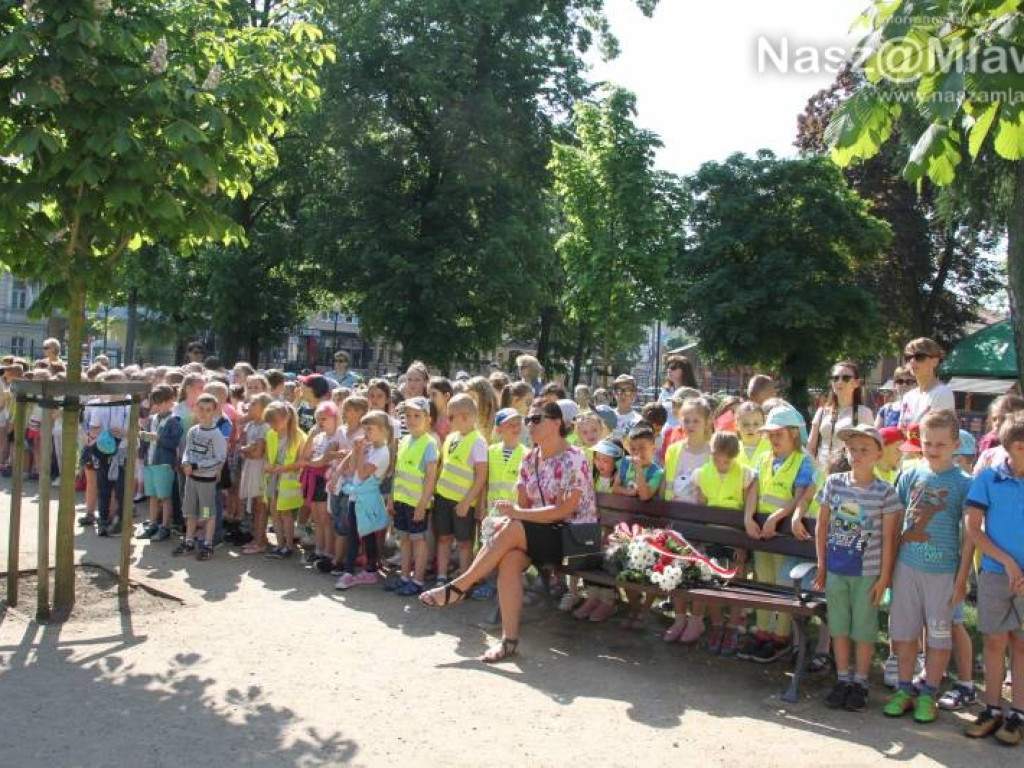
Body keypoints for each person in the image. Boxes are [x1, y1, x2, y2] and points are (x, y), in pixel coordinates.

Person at [420, 400, 597, 664]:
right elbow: (523, 507)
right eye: (529, 420)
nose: (530, 425)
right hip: (537, 533)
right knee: (510, 561)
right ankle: (509, 641)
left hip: (570, 538)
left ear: (557, 422)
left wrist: (517, 514)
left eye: (537, 419)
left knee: (513, 526)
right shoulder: (530, 458)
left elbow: (564, 511)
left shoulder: (574, 458)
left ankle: (461, 585)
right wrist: (512, 511)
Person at [883, 410, 973, 724]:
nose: (932, 450)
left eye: (940, 444)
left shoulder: (964, 484)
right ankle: (905, 689)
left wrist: (962, 578)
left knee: (938, 637)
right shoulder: (910, 474)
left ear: (955, 444)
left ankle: (928, 693)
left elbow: (969, 535)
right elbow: (895, 523)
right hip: (907, 568)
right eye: (927, 443)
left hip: (943, 573)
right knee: (905, 635)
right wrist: (890, 569)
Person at [814, 425, 902, 712]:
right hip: (837, 570)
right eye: (852, 449)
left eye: (865, 449)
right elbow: (822, 525)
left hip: (867, 574)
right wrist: (822, 564)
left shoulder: (885, 492)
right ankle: (842, 678)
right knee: (839, 626)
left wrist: (884, 578)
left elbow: (889, 537)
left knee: (863, 629)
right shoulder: (834, 483)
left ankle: (860, 681)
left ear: (878, 453)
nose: (857, 455)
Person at [963, 415, 1024, 746]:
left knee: (1021, 644)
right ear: (1017, 446)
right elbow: (973, 528)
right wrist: (1008, 563)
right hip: (995, 576)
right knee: (994, 642)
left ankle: (1018, 714)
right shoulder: (988, 478)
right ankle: (992, 707)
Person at [740, 405, 816, 663]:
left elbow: (800, 495)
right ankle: (762, 634)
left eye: (778, 434)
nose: (773, 439)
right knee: (764, 583)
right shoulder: (763, 458)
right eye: (770, 434)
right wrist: (748, 517)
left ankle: (780, 638)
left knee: (783, 586)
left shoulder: (803, 461)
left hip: (784, 538)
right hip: (761, 535)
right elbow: (754, 489)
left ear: (794, 433)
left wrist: (777, 517)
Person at [695, 432, 756, 655]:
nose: (721, 464)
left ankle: (732, 627)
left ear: (735, 457)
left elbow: (747, 510)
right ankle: (717, 623)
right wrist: (700, 541)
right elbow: (701, 509)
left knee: (736, 579)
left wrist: (741, 544)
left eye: (726, 461)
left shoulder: (746, 475)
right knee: (710, 579)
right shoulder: (701, 474)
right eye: (717, 459)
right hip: (712, 535)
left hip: (734, 537)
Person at [431, 394, 488, 585]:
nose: (448, 420)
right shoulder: (451, 437)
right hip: (443, 498)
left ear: (464, 416)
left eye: (451, 416)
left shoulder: (478, 441)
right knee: (444, 537)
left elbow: (481, 476)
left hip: (463, 502)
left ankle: (463, 581)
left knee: (464, 543)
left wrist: (466, 502)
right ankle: (441, 577)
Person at [334, 410, 392, 589]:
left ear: (384, 431)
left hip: (366, 499)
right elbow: (351, 470)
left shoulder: (382, 452)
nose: (366, 433)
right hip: (357, 497)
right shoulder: (372, 448)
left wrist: (359, 453)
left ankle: (349, 573)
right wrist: (356, 451)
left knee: (357, 536)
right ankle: (370, 570)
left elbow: (362, 473)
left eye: (370, 429)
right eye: (365, 429)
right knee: (365, 536)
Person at [388, 397, 439, 596]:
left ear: (428, 419)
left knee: (419, 541)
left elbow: (430, 478)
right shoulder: (404, 441)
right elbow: (398, 472)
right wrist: (392, 498)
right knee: (405, 540)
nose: (411, 419)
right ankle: (404, 577)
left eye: (417, 415)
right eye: (407, 415)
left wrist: (422, 504)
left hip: (417, 503)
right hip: (401, 501)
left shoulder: (429, 444)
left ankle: (417, 581)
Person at [573, 439, 623, 623]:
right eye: (598, 459)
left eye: (606, 460)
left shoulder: (619, 482)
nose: (601, 464)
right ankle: (593, 596)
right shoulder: (591, 479)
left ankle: (608, 600)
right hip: (593, 530)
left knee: (606, 556)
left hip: (611, 533)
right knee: (590, 551)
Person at [173, 394, 228, 561]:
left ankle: (207, 542)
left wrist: (196, 466)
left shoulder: (216, 434)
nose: (204, 413)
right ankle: (188, 540)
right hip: (192, 480)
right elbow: (187, 452)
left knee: (207, 513)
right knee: (190, 512)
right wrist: (185, 463)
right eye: (201, 409)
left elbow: (219, 458)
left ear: (214, 412)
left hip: (206, 482)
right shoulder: (193, 431)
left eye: (208, 410)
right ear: (195, 409)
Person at [807, 361, 874, 470]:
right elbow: (811, 447)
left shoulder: (864, 413)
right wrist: (810, 472)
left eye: (845, 378)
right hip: (819, 474)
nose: (839, 382)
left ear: (856, 383)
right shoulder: (822, 412)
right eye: (835, 378)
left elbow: (869, 447)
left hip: (847, 474)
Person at [137, 385, 181, 542]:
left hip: (164, 464)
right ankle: (153, 524)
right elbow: (148, 440)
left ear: (170, 402)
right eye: (156, 403)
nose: (158, 406)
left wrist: (157, 438)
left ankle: (165, 527)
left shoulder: (174, 421)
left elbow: (174, 442)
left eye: (161, 402)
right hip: (150, 462)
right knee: (153, 496)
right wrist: (143, 435)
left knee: (165, 496)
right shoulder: (153, 419)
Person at [262, 402, 306, 559]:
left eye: (275, 421)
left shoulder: (299, 436)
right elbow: (267, 456)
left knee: (286, 513)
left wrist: (284, 469)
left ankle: (288, 546)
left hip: (288, 481)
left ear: (287, 418)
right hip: (273, 477)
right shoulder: (271, 434)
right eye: (270, 422)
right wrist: (267, 465)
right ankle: (279, 545)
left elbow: (302, 461)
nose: (272, 425)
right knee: (274, 511)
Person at [90, 369, 130, 537]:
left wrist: (124, 433)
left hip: (123, 451)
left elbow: (137, 428)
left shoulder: (130, 404)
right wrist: (99, 432)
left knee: (122, 489)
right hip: (104, 451)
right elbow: (93, 428)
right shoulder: (101, 404)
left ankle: (122, 521)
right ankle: (103, 520)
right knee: (104, 487)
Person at [299, 401, 340, 570]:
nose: (321, 422)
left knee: (325, 520)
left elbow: (322, 461)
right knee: (316, 518)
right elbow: (304, 456)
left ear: (335, 418)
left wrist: (310, 462)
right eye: (318, 419)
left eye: (324, 419)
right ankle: (319, 549)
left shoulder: (337, 437)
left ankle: (328, 552)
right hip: (313, 480)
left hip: (325, 480)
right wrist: (310, 435)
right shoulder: (318, 436)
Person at [239, 393, 272, 554]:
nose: (249, 406)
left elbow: (258, 452)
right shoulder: (251, 425)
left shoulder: (265, 427)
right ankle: (258, 538)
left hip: (260, 469)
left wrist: (248, 450)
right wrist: (247, 449)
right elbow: (243, 446)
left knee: (260, 506)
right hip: (251, 467)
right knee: (254, 506)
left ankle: (260, 542)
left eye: (253, 404)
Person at [898, 338, 956, 428]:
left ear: (935, 361)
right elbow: (901, 431)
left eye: (919, 357)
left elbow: (939, 433)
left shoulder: (943, 393)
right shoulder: (908, 396)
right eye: (908, 357)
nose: (912, 361)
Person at [659, 355, 698, 426]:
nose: (669, 370)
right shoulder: (665, 391)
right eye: (668, 367)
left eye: (673, 367)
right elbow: (657, 411)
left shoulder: (693, 394)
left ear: (684, 371)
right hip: (664, 434)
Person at [611, 374, 640, 440]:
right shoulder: (606, 417)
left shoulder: (639, 421)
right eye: (619, 390)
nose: (623, 395)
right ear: (614, 393)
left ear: (634, 394)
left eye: (627, 391)